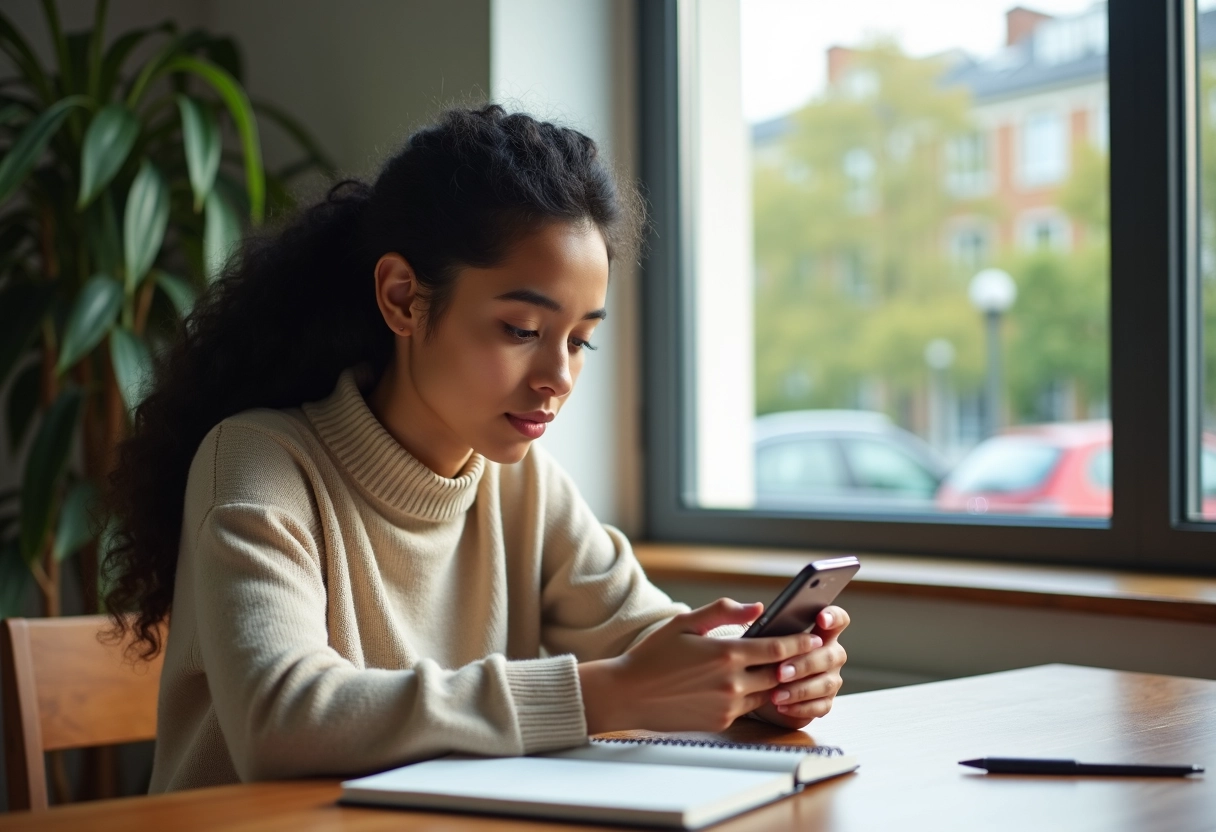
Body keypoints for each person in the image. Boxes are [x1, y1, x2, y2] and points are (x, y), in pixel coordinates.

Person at [103, 105, 850, 793]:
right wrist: (610, 691)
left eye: (582, 339)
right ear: (402, 297)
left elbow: (647, 638)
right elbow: (283, 722)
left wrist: (758, 676)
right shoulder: (257, 463)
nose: (558, 377)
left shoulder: (525, 488)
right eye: (523, 331)